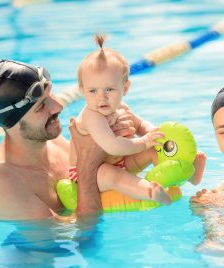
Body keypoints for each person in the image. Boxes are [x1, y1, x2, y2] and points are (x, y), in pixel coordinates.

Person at [0, 59, 135, 221]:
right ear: (11, 122)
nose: (58, 107)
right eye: (41, 106)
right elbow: (76, 239)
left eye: (51, 95)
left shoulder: (54, 143)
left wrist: (118, 144)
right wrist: (88, 166)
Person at [70, 34, 205, 205]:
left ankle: (187, 176)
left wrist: (154, 134)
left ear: (125, 88)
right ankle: (149, 191)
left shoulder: (121, 108)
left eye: (109, 89)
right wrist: (144, 141)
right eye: (93, 91)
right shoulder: (91, 116)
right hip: (89, 173)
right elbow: (113, 146)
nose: (101, 98)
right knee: (113, 175)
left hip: (122, 162)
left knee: (155, 148)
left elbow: (140, 124)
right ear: (82, 90)